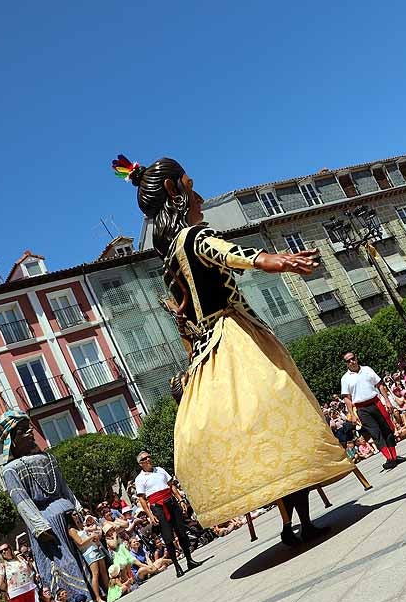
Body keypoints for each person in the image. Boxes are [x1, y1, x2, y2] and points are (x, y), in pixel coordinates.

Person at [119, 155, 357, 540]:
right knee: (282, 416)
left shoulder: (169, 260)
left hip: (208, 350)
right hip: (235, 338)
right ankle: (298, 521)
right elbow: (230, 253)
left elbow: (185, 308)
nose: (199, 195)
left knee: (263, 435)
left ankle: (290, 523)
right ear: (174, 190)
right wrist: (277, 260)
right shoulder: (194, 238)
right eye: (191, 185)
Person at [0, 410, 94, 602]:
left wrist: (78, 509)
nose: (30, 432)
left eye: (29, 428)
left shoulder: (47, 457)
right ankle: (80, 601)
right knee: (64, 562)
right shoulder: (10, 469)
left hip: (65, 513)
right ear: (12, 440)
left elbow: (65, 486)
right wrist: (39, 527)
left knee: (89, 553)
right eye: (23, 430)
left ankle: (99, 590)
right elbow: (22, 501)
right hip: (46, 522)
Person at [133, 451, 204, 574]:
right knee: (168, 538)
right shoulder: (139, 479)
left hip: (171, 502)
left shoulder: (160, 470)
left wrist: (180, 499)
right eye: (145, 458)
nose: (149, 458)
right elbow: (142, 499)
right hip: (158, 507)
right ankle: (177, 567)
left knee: (181, 533)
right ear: (141, 463)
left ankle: (189, 560)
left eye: (149, 456)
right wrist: (150, 514)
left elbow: (171, 486)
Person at [341, 352, 406, 472]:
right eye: (348, 361)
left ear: (356, 358)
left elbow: (380, 385)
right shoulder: (345, 379)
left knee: (387, 429)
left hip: (376, 403)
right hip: (362, 408)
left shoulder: (367, 369)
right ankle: (389, 458)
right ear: (346, 363)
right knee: (375, 433)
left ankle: (393, 456)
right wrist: (352, 414)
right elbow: (347, 398)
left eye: (353, 358)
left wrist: (387, 401)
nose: (351, 362)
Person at [64, 510, 108, 602]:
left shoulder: (80, 527)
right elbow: (80, 543)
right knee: (95, 574)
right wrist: (91, 537)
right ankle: (98, 598)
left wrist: (93, 537)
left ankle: (109, 591)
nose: (77, 516)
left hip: (94, 547)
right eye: (74, 514)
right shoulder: (72, 530)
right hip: (88, 552)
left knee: (104, 571)